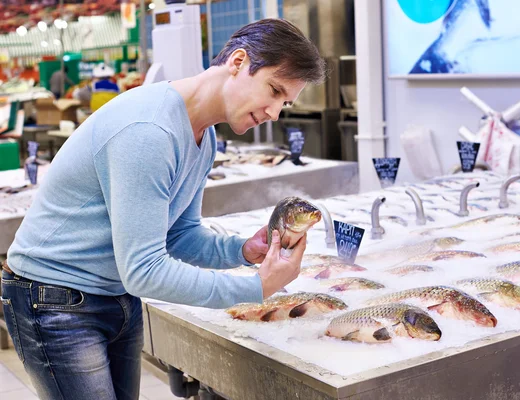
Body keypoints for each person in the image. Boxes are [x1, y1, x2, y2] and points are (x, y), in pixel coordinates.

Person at [1, 18, 325, 400]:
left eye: (285, 103)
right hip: (55, 298)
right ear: (238, 62)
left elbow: (179, 234)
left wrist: (240, 251)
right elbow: (144, 270)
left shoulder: (203, 139)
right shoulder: (150, 130)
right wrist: (254, 287)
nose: (275, 113)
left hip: (115, 294)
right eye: (274, 91)